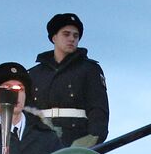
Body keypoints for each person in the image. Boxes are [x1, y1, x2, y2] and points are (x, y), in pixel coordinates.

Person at [27, 13, 109, 146]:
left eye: (75, 36)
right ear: (54, 37)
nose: (72, 39)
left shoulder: (89, 69)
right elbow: (26, 112)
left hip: (77, 141)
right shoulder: (34, 74)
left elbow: (99, 110)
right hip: (39, 142)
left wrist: (92, 140)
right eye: (66, 34)